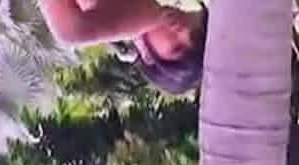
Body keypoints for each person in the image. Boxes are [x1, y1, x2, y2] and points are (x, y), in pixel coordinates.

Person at [38, 0, 208, 94]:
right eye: (196, 34)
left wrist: (153, 16)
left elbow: (73, 31)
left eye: (176, 47)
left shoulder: (139, 14)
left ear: (148, 56)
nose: (184, 31)